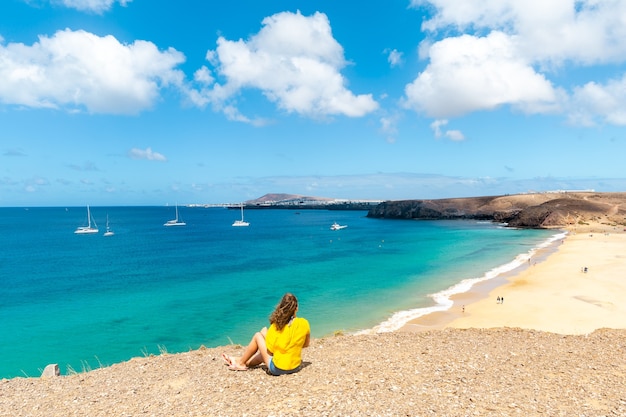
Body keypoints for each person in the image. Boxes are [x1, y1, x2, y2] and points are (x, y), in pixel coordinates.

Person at [222, 293, 310, 375]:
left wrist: (266, 336)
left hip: (278, 369)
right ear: (296, 308)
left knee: (258, 335)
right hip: (295, 366)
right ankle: (239, 360)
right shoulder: (304, 323)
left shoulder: (276, 326)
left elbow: (270, 351)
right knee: (262, 355)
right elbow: (305, 344)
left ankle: (240, 363)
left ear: (281, 307)